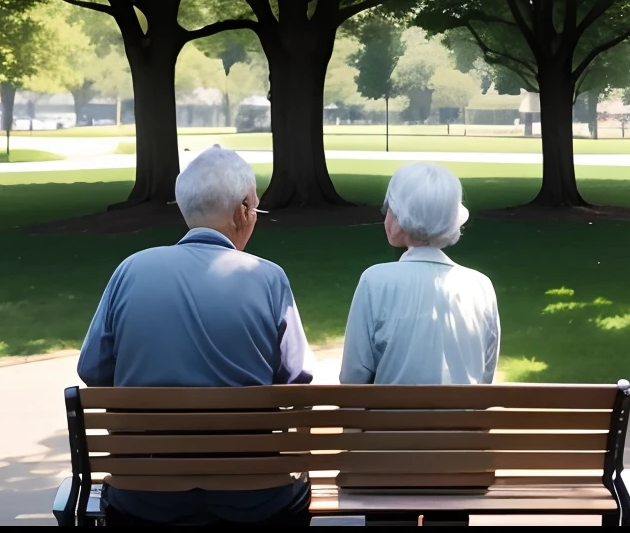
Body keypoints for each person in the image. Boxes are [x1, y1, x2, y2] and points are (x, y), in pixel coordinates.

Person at [77, 145, 314, 526]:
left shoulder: (130, 270)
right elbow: (296, 380)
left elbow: (93, 369)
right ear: (243, 211)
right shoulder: (268, 277)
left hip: (146, 497)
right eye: (256, 207)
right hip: (252, 499)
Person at [340, 162, 499, 385]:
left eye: (389, 209)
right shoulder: (480, 286)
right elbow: (485, 374)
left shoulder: (375, 281)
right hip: (463, 419)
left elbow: (353, 377)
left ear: (400, 218)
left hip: (392, 418)